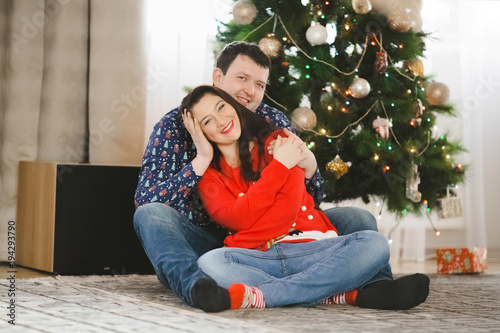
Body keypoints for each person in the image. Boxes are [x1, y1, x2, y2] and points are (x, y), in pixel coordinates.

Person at [133, 41, 394, 312]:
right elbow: (146, 199)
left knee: (359, 220)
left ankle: (371, 288)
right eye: (242, 78)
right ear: (218, 78)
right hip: (210, 241)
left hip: (282, 236)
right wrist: (199, 163)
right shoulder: (173, 127)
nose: (250, 90)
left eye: (259, 84)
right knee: (150, 215)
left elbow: (309, 201)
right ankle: (198, 288)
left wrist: (311, 165)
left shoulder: (272, 123)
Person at [180, 84, 429, 310]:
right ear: (201, 133)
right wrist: (279, 167)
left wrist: (252, 222)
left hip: (314, 248)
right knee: (210, 262)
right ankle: (335, 293)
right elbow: (238, 220)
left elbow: (286, 211)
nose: (221, 120)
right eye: (207, 121)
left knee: (374, 244)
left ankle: (263, 296)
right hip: (262, 258)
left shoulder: (279, 141)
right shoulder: (210, 177)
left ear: (232, 104)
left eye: (221, 106)